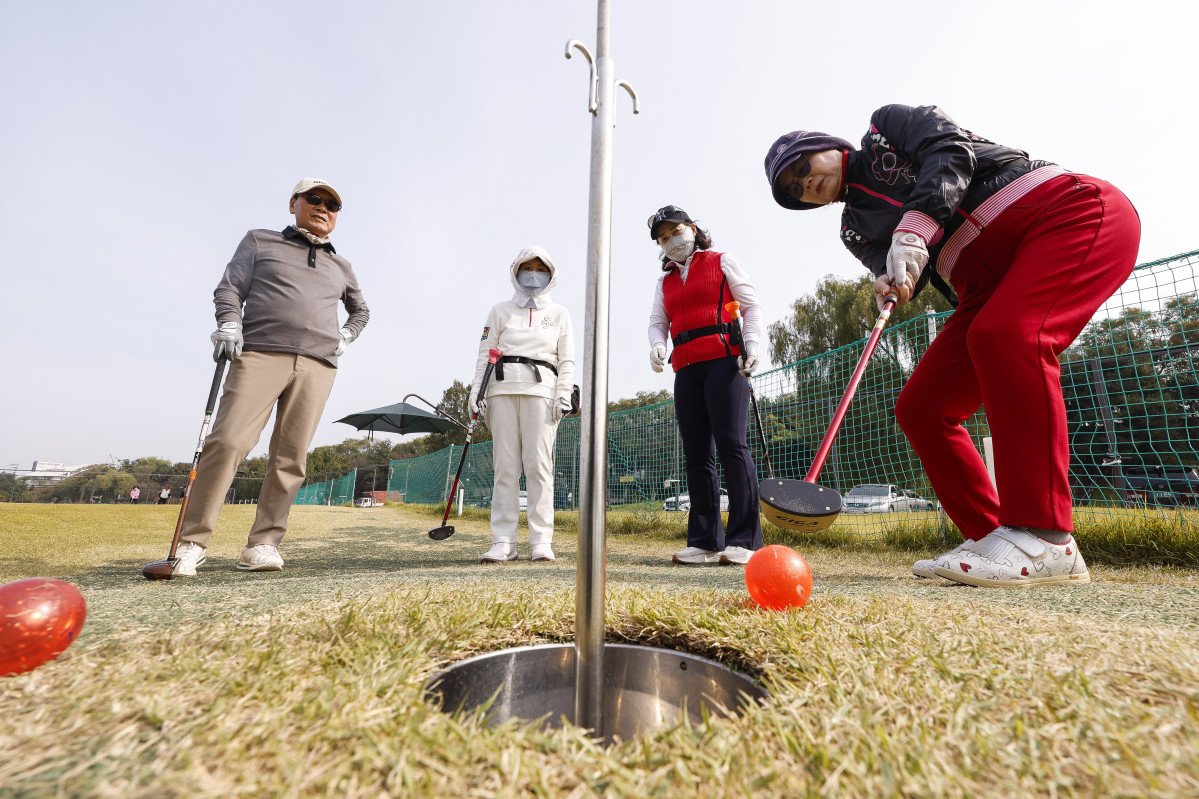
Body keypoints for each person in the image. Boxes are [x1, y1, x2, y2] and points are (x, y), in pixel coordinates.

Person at [765, 104, 1140, 587]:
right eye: (794, 190)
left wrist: (913, 227)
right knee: (922, 407)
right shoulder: (852, 229)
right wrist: (890, 283)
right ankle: (994, 539)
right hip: (981, 286)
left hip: (1063, 211)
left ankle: (1046, 536)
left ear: (828, 146)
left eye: (802, 165)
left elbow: (949, 151)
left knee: (1005, 334)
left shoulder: (887, 126)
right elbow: (899, 271)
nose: (804, 183)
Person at [171, 178, 369, 576]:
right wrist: (229, 322)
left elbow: (361, 310)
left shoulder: (341, 264)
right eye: (314, 199)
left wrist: (345, 336)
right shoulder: (260, 241)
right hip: (260, 352)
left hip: (318, 364)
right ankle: (192, 543)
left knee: (290, 458)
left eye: (332, 205)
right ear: (293, 203)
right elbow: (229, 288)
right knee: (228, 442)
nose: (323, 208)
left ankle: (263, 543)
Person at [646, 205, 764, 565]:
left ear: (692, 229)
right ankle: (705, 540)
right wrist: (657, 344)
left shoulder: (721, 260)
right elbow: (657, 320)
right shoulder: (665, 280)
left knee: (732, 445)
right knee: (697, 455)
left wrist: (754, 342)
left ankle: (744, 540)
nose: (671, 241)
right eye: (663, 238)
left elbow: (751, 305)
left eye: (675, 231)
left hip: (724, 360)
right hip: (686, 368)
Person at [469, 246, 575, 563]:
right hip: (501, 390)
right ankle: (503, 541)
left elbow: (566, 359)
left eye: (539, 268)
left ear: (551, 273)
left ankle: (541, 541)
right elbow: (484, 353)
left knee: (540, 468)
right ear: (515, 271)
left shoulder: (560, 314)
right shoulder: (500, 310)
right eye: (526, 267)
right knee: (506, 468)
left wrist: (564, 393)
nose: (533, 274)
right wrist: (476, 392)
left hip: (543, 391)